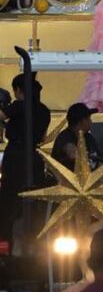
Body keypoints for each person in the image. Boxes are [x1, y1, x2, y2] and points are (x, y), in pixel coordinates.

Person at [0, 73, 50, 243]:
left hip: (15, 155)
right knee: (34, 197)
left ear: (19, 90)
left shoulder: (19, 106)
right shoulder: (44, 110)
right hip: (34, 156)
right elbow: (43, 138)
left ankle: (6, 238)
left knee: (10, 196)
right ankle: (34, 238)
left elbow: (1, 115)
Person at [52, 102, 100, 170]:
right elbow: (72, 154)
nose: (91, 122)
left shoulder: (89, 138)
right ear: (82, 121)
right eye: (88, 118)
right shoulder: (65, 137)